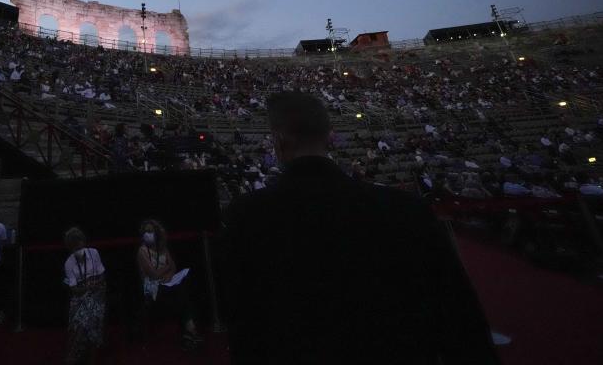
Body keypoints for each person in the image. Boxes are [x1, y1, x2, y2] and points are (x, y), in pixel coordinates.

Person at [226, 92, 498, 364]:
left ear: (278, 140)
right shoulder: (406, 208)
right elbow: (460, 317)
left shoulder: (245, 215)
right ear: (329, 136)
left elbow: (245, 325)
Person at [136, 219, 202, 350]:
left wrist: (167, 275)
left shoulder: (163, 248)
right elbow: (154, 274)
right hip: (152, 288)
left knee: (183, 289)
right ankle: (190, 330)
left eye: (150, 231)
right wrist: (167, 268)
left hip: (166, 283)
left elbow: (173, 266)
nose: (147, 234)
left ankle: (189, 332)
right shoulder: (142, 251)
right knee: (181, 294)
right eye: (145, 231)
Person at [63, 228, 106, 365]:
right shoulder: (69, 263)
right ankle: (76, 352)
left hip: (98, 292)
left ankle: (87, 355)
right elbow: (74, 289)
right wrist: (87, 288)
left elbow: (102, 276)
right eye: (74, 247)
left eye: (79, 245)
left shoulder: (94, 253)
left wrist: (94, 285)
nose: (78, 249)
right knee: (79, 320)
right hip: (81, 294)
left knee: (90, 317)